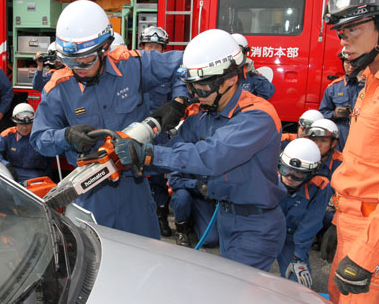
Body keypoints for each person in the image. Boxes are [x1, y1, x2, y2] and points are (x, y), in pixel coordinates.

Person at [114, 29, 286, 271]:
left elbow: (212, 156)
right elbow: (174, 147)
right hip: (226, 215)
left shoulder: (257, 116)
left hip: (256, 224)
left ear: (230, 79)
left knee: (238, 293)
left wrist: (150, 154)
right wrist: (137, 142)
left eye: (202, 88)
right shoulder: (205, 114)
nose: (195, 95)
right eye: (191, 88)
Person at [29, 0, 188, 240]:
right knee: (99, 262)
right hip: (90, 190)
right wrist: (66, 137)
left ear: (104, 48)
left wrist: (179, 102)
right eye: (70, 62)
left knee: (146, 255)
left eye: (85, 62)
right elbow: (39, 138)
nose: (78, 69)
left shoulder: (132, 65)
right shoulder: (58, 88)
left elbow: (187, 64)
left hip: (135, 184)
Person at [324, 0, 379, 302]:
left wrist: (366, 253)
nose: (343, 42)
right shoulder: (369, 84)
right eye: (341, 32)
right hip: (352, 226)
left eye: (353, 29)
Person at [139, 25, 186, 237]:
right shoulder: (134, 66)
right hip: (137, 132)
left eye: (157, 47)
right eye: (149, 46)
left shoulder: (171, 71)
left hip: (161, 133)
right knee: (137, 175)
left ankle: (160, 215)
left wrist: (178, 100)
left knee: (159, 175)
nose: (153, 51)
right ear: (142, 46)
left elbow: (180, 83)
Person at [277, 138, 332, 289]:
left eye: (298, 174)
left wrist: (298, 257)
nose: (289, 177)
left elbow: (311, 224)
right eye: (286, 170)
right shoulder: (269, 176)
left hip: (292, 238)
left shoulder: (320, 186)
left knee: (297, 287)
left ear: (310, 174)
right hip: (264, 233)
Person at [0, 103, 53, 183]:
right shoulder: (7, 135)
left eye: (28, 124)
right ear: (15, 122)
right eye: (21, 124)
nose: (24, 128)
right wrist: (5, 164)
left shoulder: (41, 136)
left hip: (36, 177)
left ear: (33, 123)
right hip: (11, 173)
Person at [303, 119, 342, 254]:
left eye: (323, 141)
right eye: (314, 140)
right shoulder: (302, 156)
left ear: (333, 143)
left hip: (330, 208)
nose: (318, 145)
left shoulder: (343, 163)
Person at [319, 51, 365, 151]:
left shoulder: (370, 86)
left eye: (353, 62)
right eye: (347, 62)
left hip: (363, 137)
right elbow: (322, 113)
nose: (350, 66)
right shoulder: (334, 88)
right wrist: (334, 114)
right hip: (341, 138)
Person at [167, 171, 219, 248]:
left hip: (204, 198)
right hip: (185, 194)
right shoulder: (180, 158)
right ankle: (181, 230)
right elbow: (173, 181)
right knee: (181, 197)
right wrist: (196, 184)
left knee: (210, 240)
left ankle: (193, 222)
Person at [231, 33, 275, 100]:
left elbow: (268, 93)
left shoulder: (249, 74)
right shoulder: (219, 72)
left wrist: (252, 72)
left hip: (244, 109)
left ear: (245, 53)